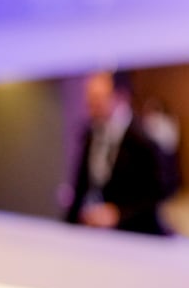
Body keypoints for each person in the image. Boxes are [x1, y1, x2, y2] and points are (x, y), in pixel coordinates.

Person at [64, 70, 174, 236]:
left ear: (120, 96)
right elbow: (81, 185)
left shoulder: (144, 139)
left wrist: (119, 214)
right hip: (99, 235)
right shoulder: (90, 134)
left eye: (98, 100)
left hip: (136, 234)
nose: (92, 109)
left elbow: (160, 192)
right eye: (90, 101)